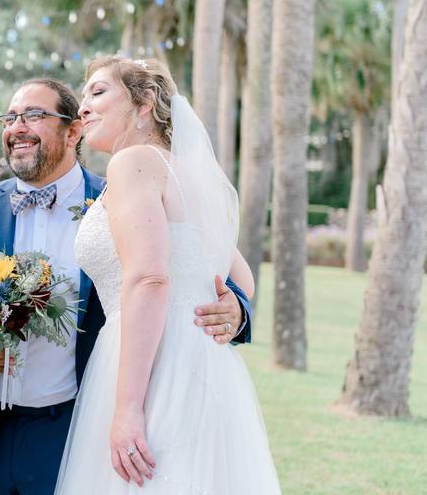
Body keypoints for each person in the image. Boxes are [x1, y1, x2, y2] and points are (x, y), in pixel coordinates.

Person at [0, 77, 254, 495]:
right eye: (11, 117)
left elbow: (206, 260)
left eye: (34, 115)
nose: (17, 126)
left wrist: (236, 310)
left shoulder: (121, 191)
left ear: (73, 131)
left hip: (77, 424)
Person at [54, 56, 281, 494]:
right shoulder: (188, 175)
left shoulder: (133, 162)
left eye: (98, 92)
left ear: (144, 103)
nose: (83, 107)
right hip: (201, 362)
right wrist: (234, 305)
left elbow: (149, 279)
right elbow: (243, 276)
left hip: (153, 366)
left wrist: (127, 407)